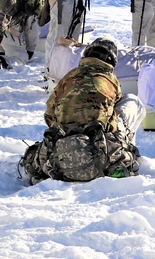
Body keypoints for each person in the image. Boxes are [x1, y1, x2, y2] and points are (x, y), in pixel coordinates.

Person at [23, 36, 145, 183]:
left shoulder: (69, 77)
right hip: (98, 139)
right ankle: (124, 150)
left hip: (63, 138)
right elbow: (114, 105)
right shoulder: (109, 78)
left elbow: (49, 113)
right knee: (133, 101)